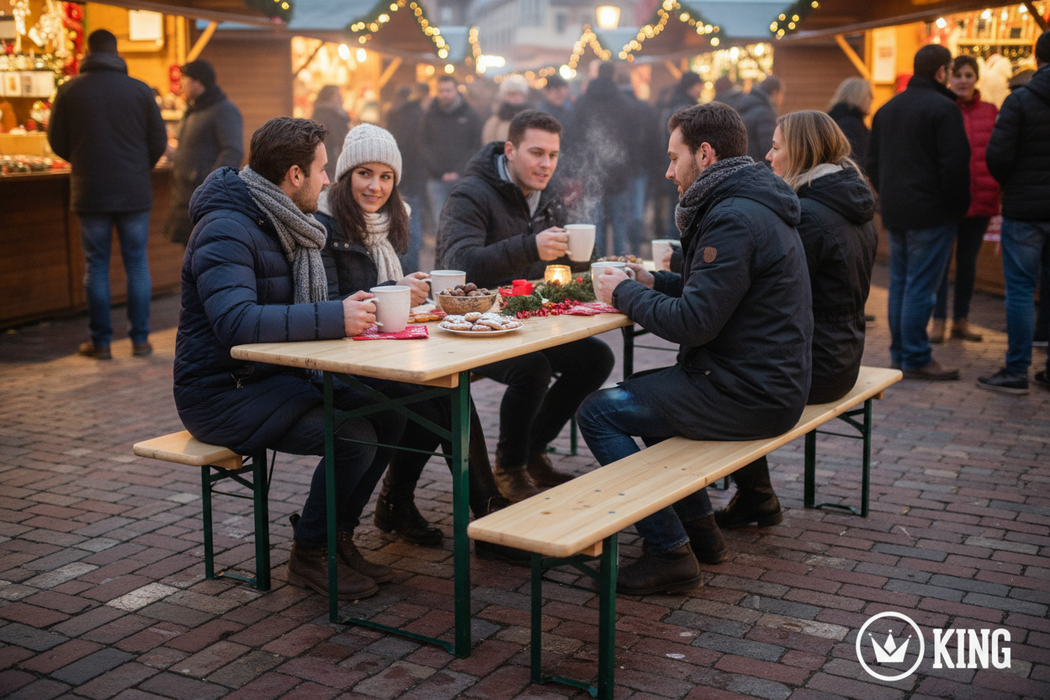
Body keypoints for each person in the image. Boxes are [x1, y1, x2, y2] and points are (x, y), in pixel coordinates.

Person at [577, 102, 812, 595]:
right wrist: (654, 281)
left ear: (704, 155)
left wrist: (623, 293)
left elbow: (694, 322)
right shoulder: (747, 202)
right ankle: (701, 534)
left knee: (599, 412)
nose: (668, 171)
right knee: (645, 393)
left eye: (673, 157)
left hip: (750, 393)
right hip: (766, 381)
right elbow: (715, 290)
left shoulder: (733, 216)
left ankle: (669, 553)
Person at [173, 117, 405, 599]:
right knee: (354, 435)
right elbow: (236, 322)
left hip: (274, 378)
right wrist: (334, 317)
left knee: (393, 410)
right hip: (222, 391)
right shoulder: (225, 228)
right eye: (322, 169)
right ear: (295, 175)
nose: (328, 180)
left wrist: (351, 306)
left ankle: (338, 536)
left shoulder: (280, 219)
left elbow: (295, 307)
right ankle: (310, 553)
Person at [315, 124, 518, 557]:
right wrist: (394, 290)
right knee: (440, 397)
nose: (376, 186)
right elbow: (328, 304)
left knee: (442, 391)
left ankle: (399, 504)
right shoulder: (324, 227)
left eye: (386, 176)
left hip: (381, 351)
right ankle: (484, 513)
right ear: (345, 175)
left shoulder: (388, 222)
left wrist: (408, 291)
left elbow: (382, 298)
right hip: (338, 363)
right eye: (365, 173)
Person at [436, 109, 615, 502]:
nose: (546, 164)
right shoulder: (470, 194)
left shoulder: (548, 195)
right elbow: (457, 264)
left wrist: (590, 258)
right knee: (533, 369)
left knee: (596, 359)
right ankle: (511, 466)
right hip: (472, 327)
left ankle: (533, 451)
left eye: (553, 155)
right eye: (536, 153)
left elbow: (564, 265)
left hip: (526, 322)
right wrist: (530, 247)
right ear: (510, 150)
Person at [713, 110, 879, 530]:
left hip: (813, 366)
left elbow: (757, 282)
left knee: (715, 374)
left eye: (776, 147)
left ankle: (753, 496)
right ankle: (753, 494)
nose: (768, 157)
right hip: (843, 356)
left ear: (802, 152)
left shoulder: (810, 215)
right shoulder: (851, 203)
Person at [47, 29, 167, 360]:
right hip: (133, 191)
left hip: (90, 191)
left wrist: (82, 160)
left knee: (96, 266)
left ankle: (100, 343)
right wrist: (139, 167)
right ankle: (140, 340)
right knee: (137, 265)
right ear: (116, 52)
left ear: (88, 51)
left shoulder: (69, 90)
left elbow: (56, 140)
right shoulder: (140, 90)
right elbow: (159, 140)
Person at [867, 44, 971, 380]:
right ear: (941, 72)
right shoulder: (944, 109)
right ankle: (914, 356)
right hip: (932, 212)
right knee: (920, 287)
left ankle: (901, 353)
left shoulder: (887, 109)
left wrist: (887, 196)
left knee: (900, 283)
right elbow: (955, 166)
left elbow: (872, 163)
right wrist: (958, 207)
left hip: (896, 210)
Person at [979, 30, 1050, 393]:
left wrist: (1014, 184)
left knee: (1020, 290)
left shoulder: (1019, 100)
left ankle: (1017, 369)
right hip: (1028, 204)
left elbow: (997, 155)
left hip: (1024, 210)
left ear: (1037, 59)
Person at [931, 55, 1000, 344]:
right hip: (947, 200)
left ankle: (961, 320)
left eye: (968, 75)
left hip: (981, 198)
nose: (962, 80)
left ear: (976, 78)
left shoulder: (990, 111)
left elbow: (998, 151)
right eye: (957, 75)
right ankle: (938, 321)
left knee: (968, 264)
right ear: (949, 78)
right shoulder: (941, 108)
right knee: (941, 263)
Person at [164, 60, 244, 246]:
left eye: (185, 80)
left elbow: (233, 151)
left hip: (207, 199)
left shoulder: (224, 110)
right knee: (190, 253)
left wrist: (211, 185)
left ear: (198, 82)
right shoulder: (193, 110)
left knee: (207, 253)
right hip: (186, 197)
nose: (181, 84)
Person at [567, 62, 634, 256]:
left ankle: (595, 264)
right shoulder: (624, 103)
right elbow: (632, 139)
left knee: (594, 222)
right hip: (618, 172)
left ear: (596, 74)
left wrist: (576, 169)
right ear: (614, 75)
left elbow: (573, 137)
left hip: (590, 173)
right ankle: (622, 266)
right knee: (619, 222)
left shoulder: (582, 102)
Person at [421, 75, 482, 221]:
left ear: (456, 91)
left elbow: (475, 146)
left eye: (448, 90)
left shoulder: (470, 114)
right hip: (436, 179)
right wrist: (438, 171)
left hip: (462, 179)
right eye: (441, 91)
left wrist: (459, 171)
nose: (445, 94)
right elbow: (423, 144)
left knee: (461, 221)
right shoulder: (429, 115)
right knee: (440, 222)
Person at [386, 83, 428, 273]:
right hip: (414, 175)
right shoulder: (419, 114)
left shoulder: (397, 116)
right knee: (412, 221)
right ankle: (412, 269)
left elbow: (398, 146)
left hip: (400, 176)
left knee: (404, 222)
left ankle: (407, 269)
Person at [732, 75, 786, 163]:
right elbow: (769, 147)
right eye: (781, 94)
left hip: (745, 163)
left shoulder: (746, 106)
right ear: (774, 93)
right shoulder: (765, 113)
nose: (782, 99)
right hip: (758, 165)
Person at [310, 85, 352, 184]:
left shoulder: (337, 114)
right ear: (328, 97)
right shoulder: (325, 116)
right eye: (338, 96)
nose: (341, 99)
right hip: (330, 158)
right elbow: (334, 138)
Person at [827, 77, 873, 166]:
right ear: (858, 96)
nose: (872, 98)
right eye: (869, 95)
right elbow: (858, 161)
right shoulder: (852, 126)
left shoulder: (833, 119)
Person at [482, 74, 530, 144]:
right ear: (504, 96)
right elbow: (489, 143)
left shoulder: (532, 117)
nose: (516, 97)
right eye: (512, 94)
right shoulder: (496, 121)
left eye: (519, 94)